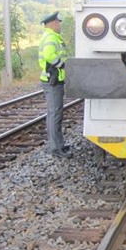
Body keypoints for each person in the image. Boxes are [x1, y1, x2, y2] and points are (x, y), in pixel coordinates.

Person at [39, 11, 72, 158]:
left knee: (56, 114)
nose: (59, 25)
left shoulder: (52, 36)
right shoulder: (51, 37)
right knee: (54, 115)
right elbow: (49, 55)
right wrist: (62, 65)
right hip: (52, 82)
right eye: (58, 23)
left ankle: (59, 145)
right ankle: (56, 149)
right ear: (52, 23)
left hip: (55, 80)